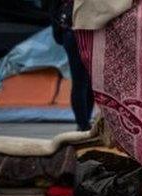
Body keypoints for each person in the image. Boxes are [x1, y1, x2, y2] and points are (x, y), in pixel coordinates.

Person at [50, 0, 94, 131]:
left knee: (86, 81)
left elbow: (53, 8)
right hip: (78, 30)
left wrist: (58, 31)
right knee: (83, 81)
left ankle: (84, 122)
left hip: (80, 30)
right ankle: (83, 123)